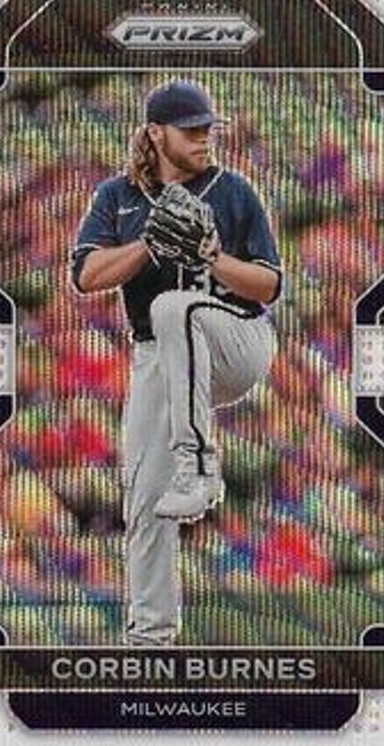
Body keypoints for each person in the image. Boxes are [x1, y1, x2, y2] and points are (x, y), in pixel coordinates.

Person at [72, 80, 282, 646]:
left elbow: (268, 286)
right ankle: (150, 637)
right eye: (191, 130)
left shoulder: (233, 190)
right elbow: (87, 276)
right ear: (156, 133)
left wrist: (213, 257)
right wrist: (148, 244)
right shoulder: (118, 196)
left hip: (236, 339)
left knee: (174, 307)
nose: (203, 138)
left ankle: (199, 466)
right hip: (159, 358)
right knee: (145, 498)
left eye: (207, 128)